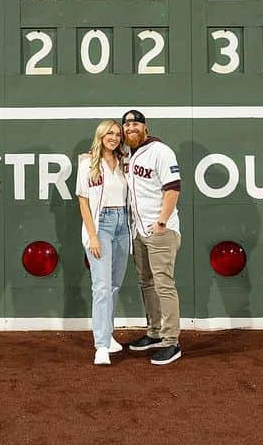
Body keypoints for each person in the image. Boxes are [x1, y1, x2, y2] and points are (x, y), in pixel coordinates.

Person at [121, 109, 183, 365]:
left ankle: (171, 342)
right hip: (139, 229)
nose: (130, 128)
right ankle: (155, 332)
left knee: (163, 285)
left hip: (160, 230)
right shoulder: (127, 153)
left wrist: (161, 222)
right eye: (126, 125)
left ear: (145, 127)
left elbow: (173, 188)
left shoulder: (161, 151)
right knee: (147, 283)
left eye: (135, 124)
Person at [75, 119, 129, 365]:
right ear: (100, 135)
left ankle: (109, 334)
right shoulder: (88, 163)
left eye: (118, 134)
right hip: (102, 225)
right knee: (102, 287)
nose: (114, 137)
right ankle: (101, 346)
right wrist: (94, 235)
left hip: (123, 224)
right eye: (110, 133)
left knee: (115, 285)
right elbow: (83, 201)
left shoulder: (125, 161)